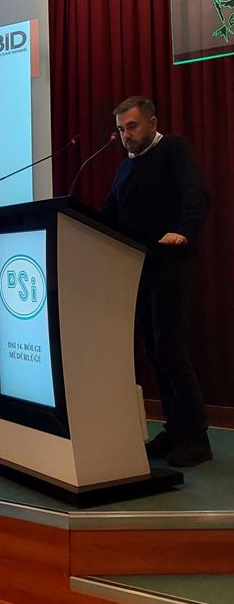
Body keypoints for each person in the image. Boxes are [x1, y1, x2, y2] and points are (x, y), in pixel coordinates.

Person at [102, 96, 211, 467]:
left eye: (132, 126)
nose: (126, 135)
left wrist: (185, 231)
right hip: (136, 269)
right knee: (153, 351)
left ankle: (197, 436)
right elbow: (109, 215)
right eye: (121, 130)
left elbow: (197, 193)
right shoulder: (124, 168)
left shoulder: (174, 149)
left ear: (152, 123)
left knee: (170, 348)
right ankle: (175, 429)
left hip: (169, 263)